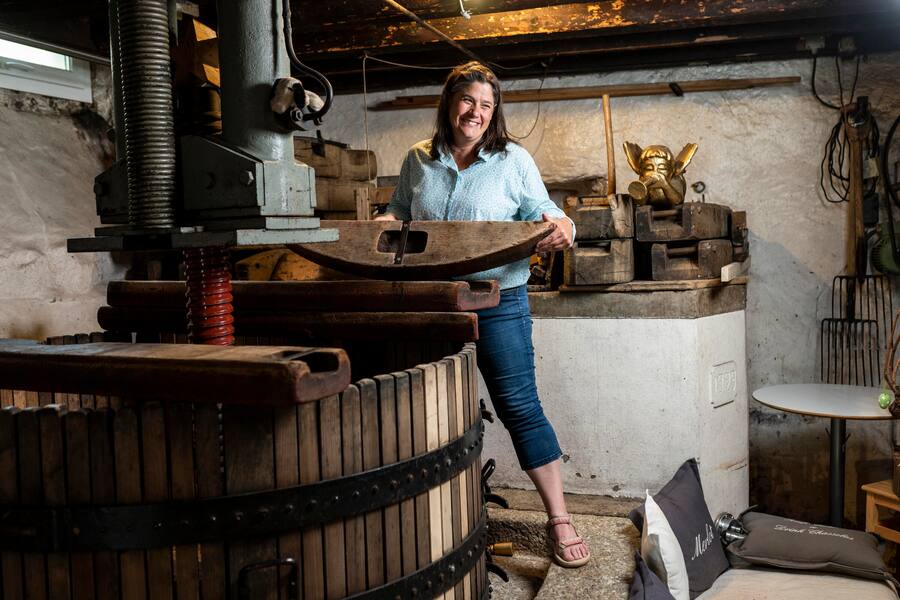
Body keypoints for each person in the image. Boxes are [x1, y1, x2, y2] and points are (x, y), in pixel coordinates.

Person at [376, 61, 590, 568]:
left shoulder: (513, 160)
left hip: (498, 299)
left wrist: (567, 227)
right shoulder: (418, 158)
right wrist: (382, 223)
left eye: (486, 105)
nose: (475, 112)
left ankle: (559, 518)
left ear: (494, 114)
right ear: (450, 103)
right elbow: (400, 210)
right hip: (432, 301)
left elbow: (547, 211)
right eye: (468, 101)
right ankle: (427, 511)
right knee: (424, 404)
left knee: (519, 406)